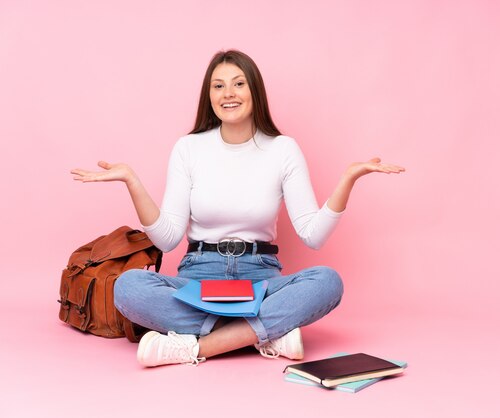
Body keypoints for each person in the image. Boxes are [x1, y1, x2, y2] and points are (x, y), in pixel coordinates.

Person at [71, 49, 405, 368]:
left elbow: (313, 236)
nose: (228, 93)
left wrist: (348, 179)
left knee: (327, 282)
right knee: (128, 287)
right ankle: (264, 334)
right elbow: (168, 240)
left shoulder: (283, 149)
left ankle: (197, 347)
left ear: (254, 91)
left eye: (238, 83)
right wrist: (132, 181)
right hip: (199, 275)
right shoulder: (189, 148)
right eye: (218, 86)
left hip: (260, 277)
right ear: (209, 95)